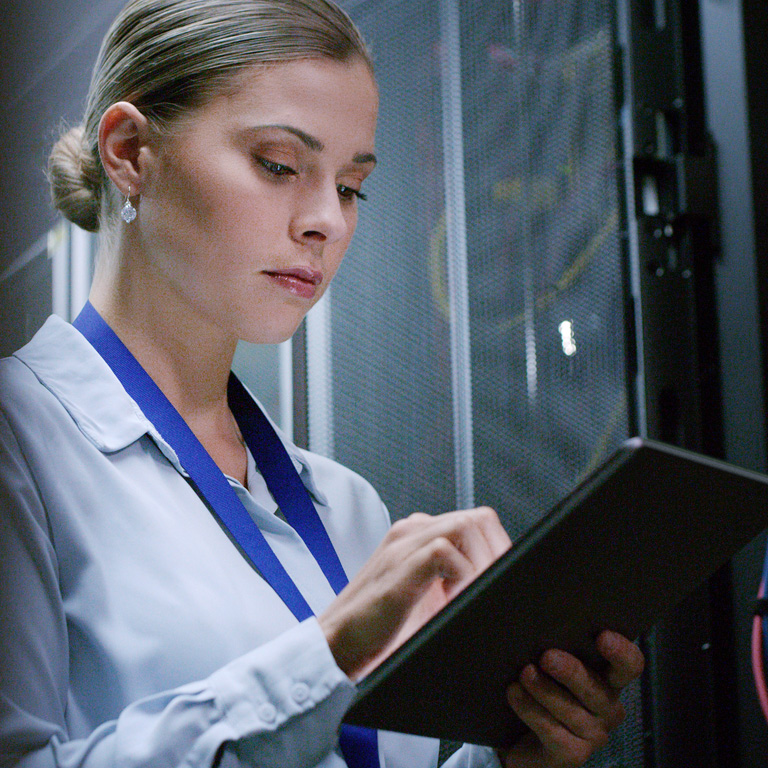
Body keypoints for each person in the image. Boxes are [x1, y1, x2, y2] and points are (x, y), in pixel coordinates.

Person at [0, 1, 644, 767]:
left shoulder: (347, 510)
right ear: (131, 150)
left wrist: (513, 759)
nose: (327, 222)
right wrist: (328, 652)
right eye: (278, 165)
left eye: (350, 187)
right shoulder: (22, 440)